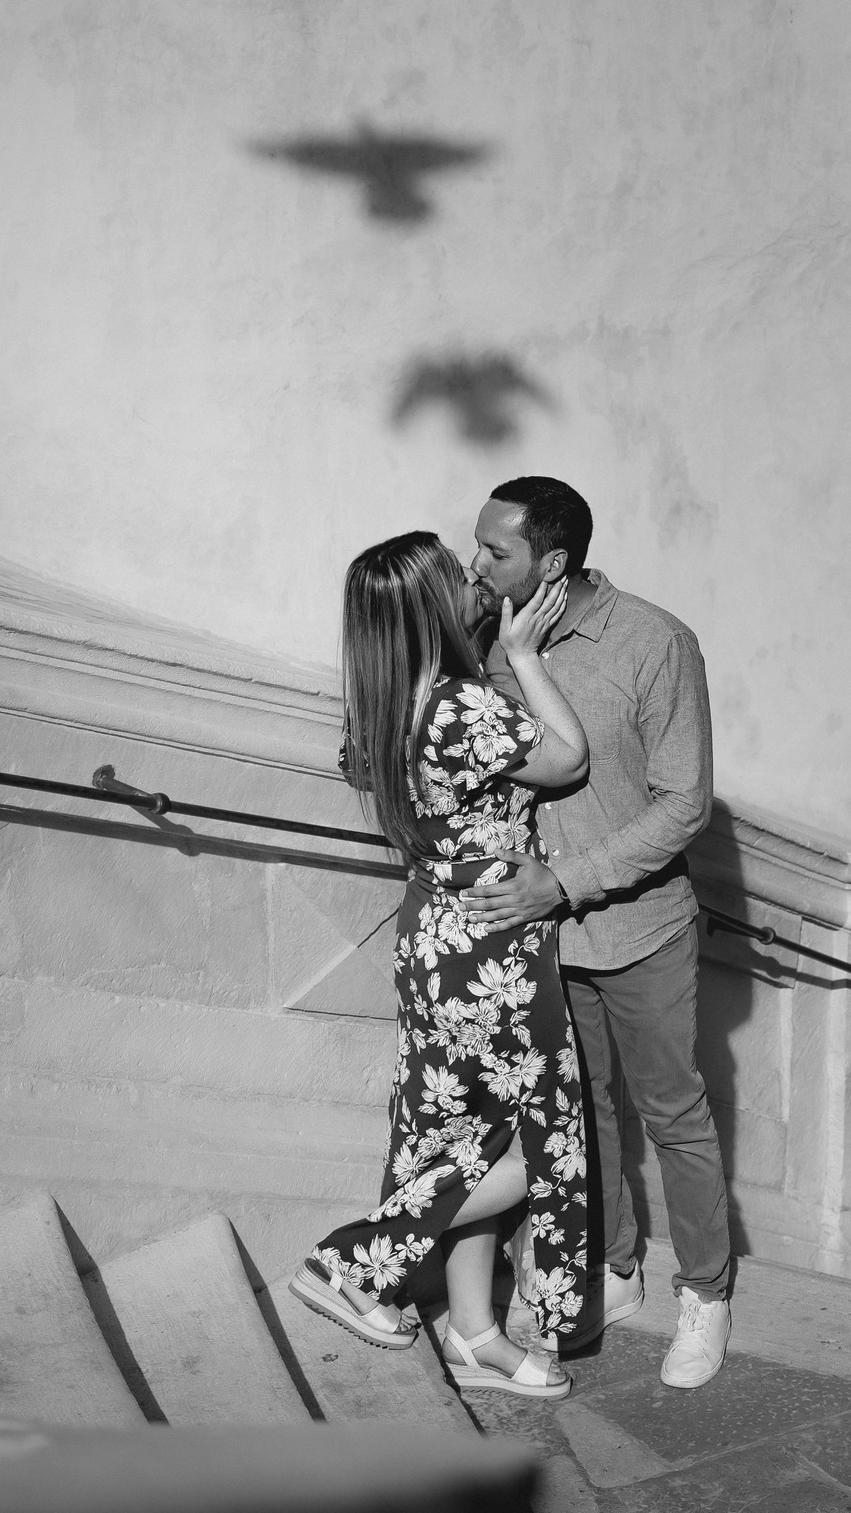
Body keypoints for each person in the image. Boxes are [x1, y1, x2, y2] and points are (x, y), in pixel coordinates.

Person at [288, 530, 591, 1398]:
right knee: (540, 1145)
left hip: (434, 937)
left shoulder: (383, 705)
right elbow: (569, 759)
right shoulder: (458, 705)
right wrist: (526, 653)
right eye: (459, 576)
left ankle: (475, 1333)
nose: (476, 581)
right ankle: (353, 1259)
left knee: (466, 1138)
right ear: (429, 607)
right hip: (492, 944)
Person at [462, 476, 732, 1390]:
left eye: (496, 551)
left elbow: (685, 803)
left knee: (674, 1115)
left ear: (554, 563)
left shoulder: (654, 642)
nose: (477, 564)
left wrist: (565, 883)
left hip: (643, 929)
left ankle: (707, 1294)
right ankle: (617, 1265)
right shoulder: (494, 640)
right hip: (544, 946)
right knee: (583, 1116)